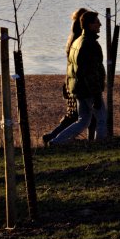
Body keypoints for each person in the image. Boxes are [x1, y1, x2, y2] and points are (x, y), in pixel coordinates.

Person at [48, 10, 107, 145]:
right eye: (97, 22)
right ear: (90, 25)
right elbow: (90, 71)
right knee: (102, 118)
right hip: (88, 89)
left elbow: (76, 69)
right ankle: (102, 144)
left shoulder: (77, 41)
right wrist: (97, 94)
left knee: (83, 120)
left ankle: (56, 141)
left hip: (79, 88)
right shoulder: (90, 44)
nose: (100, 25)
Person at [42, 8, 88, 146]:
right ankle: (54, 137)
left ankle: (54, 136)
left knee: (72, 115)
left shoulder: (72, 39)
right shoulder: (80, 40)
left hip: (69, 81)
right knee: (76, 116)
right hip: (75, 82)